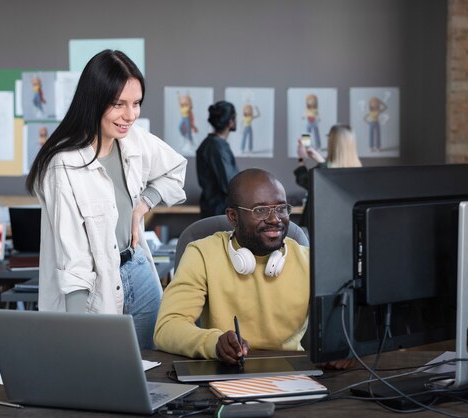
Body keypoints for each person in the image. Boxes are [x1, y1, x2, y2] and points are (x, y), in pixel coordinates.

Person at [25, 49, 187, 349]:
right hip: (96, 283)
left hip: (138, 266)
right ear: (94, 101)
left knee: (154, 366)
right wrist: (79, 332)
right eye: (118, 104)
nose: (130, 115)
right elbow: (73, 262)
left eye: (136, 103)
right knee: (102, 374)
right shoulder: (64, 164)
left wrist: (141, 207)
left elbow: (176, 170)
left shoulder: (133, 139)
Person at [155, 168, 307, 364]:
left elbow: (337, 327)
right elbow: (167, 328)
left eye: (281, 208)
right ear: (233, 217)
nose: (274, 219)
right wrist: (213, 343)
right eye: (260, 210)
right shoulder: (202, 253)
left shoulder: (307, 260)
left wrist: (340, 351)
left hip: (292, 373)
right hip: (227, 369)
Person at [294, 124, 362, 227]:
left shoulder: (322, 174)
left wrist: (301, 160)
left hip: (319, 230)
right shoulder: (358, 174)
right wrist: (320, 160)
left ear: (332, 142)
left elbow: (303, 179)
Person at [196, 101, 239, 218]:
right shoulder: (217, 147)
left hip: (213, 209)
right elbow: (230, 184)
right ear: (230, 122)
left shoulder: (210, 144)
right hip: (219, 212)